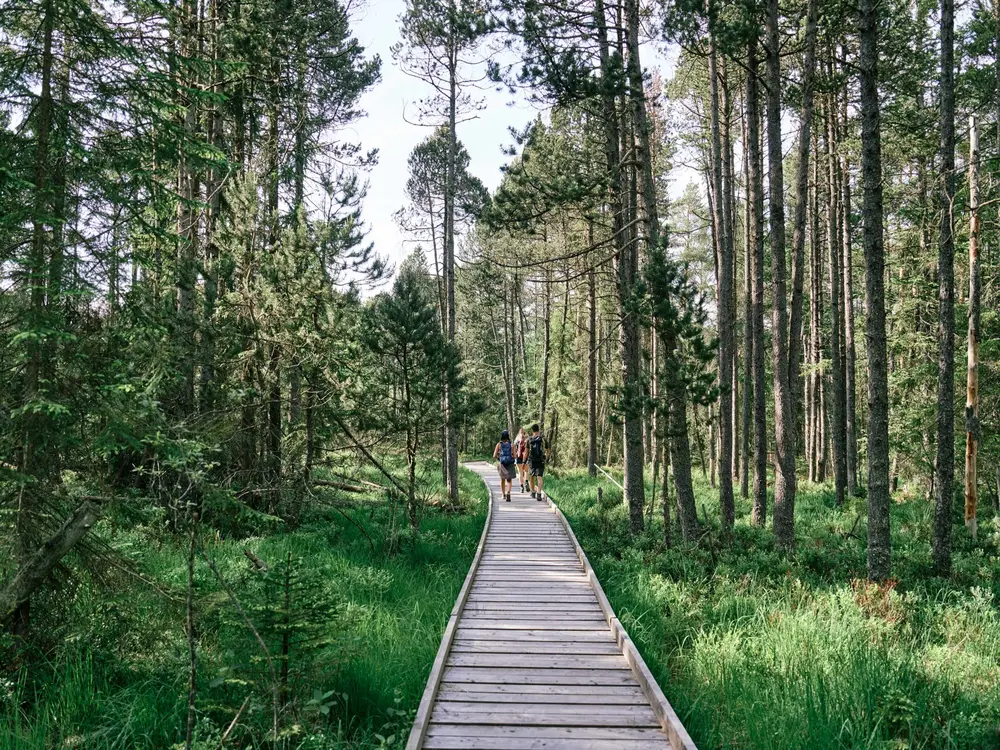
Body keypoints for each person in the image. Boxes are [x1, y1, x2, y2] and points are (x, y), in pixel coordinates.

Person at [527, 423, 549, 501]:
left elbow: (526, 452)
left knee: (531, 477)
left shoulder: (529, 439)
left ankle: (533, 492)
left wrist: (524, 461)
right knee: (540, 477)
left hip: (531, 461)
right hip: (540, 460)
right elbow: (547, 450)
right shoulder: (543, 439)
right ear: (538, 430)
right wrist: (545, 457)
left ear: (532, 431)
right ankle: (539, 493)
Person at [492, 429, 516, 502]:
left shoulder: (499, 444)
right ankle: (508, 492)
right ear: (508, 436)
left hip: (502, 463)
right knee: (509, 479)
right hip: (510, 463)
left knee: (502, 479)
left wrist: (499, 458)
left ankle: (503, 494)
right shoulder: (511, 445)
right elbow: (515, 456)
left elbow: (494, 455)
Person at [512, 427, 529, 493]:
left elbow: (514, 448)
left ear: (519, 432)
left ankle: (521, 487)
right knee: (526, 471)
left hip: (519, 457)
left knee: (520, 473)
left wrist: (514, 457)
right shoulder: (527, 439)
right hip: (526, 457)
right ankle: (526, 483)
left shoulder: (517, 439)